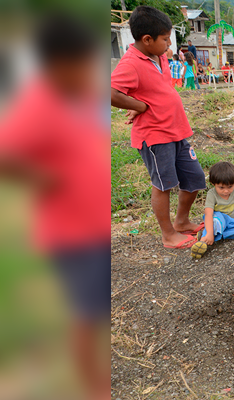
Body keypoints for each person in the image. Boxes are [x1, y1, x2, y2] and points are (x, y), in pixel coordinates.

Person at [0, 15, 110, 399]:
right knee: (86, 313)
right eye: (83, 63)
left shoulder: (75, 97)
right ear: (57, 64)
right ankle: (89, 381)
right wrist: (44, 180)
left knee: (95, 306)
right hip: (72, 232)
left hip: (92, 223)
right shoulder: (38, 103)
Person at [111, 6, 205, 250]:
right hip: (155, 135)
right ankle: (168, 234)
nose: (168, 44)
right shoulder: (131, 63)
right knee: (163, 184)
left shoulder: (159, 55)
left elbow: (154, 85)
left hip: (177, 130)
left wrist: (141, 98)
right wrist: (138, 106)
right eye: (165, 39)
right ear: (147, 39)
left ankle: (182, 221)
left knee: (195, 178)